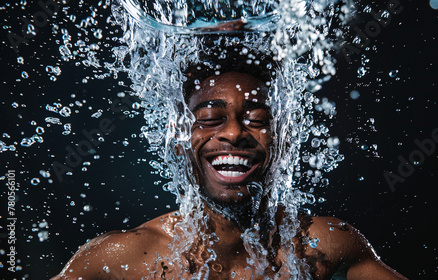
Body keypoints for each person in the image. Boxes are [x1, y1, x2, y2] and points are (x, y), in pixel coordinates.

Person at [52, 52, 408, 280]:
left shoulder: (324, 244)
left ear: (282, 141)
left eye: (257, 119)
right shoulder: (123, 259)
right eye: (209, 118)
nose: (235, 132)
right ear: (179, 139)